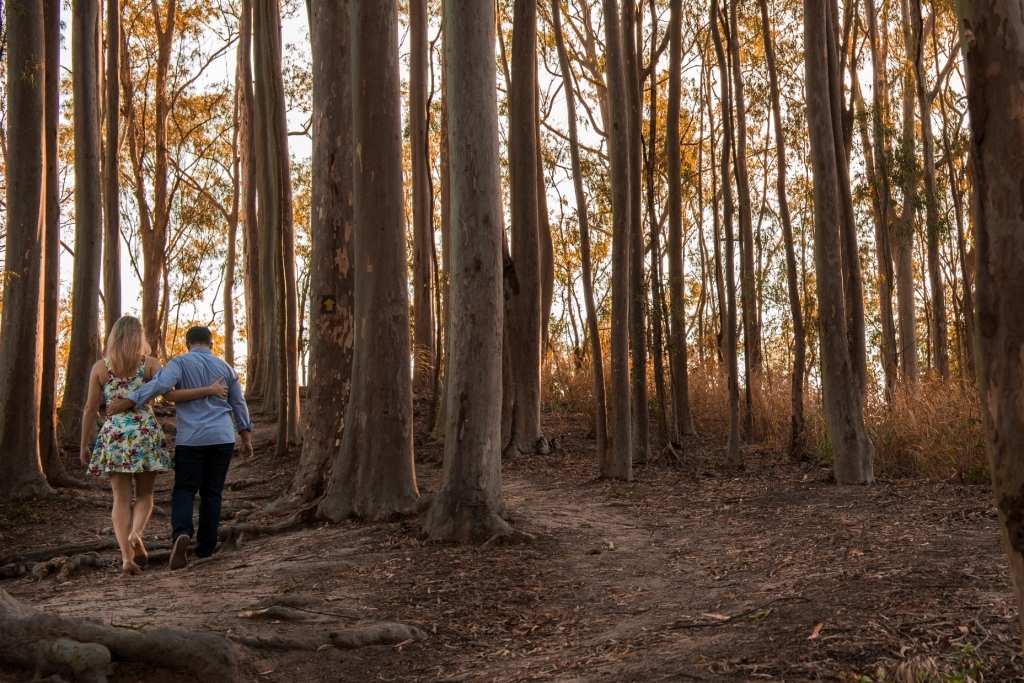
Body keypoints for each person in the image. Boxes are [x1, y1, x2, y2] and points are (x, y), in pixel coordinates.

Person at [81, 315, 228, 575]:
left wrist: (84, 443)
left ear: (114, 337)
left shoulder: (100, 368)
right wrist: (208, 390)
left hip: (115, 435)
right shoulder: (149, 365)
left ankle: (127, 558)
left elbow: (91, 407)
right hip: (144, 433)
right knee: (146, 495)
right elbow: (169, 394)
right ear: (140, 338)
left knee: (120, 499)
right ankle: (136, 533)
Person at [107, 326, 254, 571]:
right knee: (212, 493)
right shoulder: (225, 367)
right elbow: (238, 403)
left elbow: (161, 386)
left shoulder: (179, 363)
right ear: (211, 345)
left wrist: (129, 400)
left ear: (188, 345)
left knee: (185, 489)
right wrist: (246, 436)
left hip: (192, 438)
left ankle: (181, 535)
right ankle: (205, 549)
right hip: (222, 436)